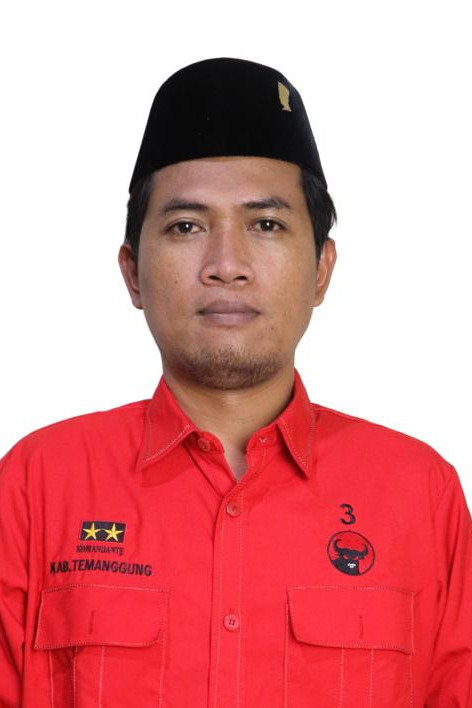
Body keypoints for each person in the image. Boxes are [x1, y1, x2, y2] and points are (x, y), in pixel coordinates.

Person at [0, 57, 471, 708]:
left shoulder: (420, 494)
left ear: (322, 269)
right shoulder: (36, 485)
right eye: (186, 226)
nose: (226, 265)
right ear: (133, 272)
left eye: (266, 224)